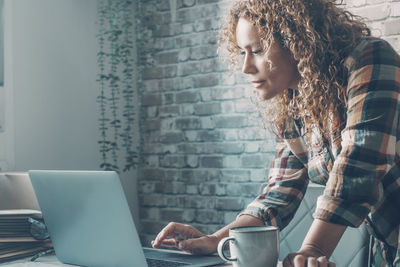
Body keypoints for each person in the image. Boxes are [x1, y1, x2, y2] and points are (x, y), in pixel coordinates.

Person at [151, 0, 400, 266]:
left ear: (298, 41)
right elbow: (280, 190)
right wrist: (218, 240)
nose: (246, 67)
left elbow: (360, 163)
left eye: (256, 50)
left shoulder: (371, 58)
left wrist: (311, 249)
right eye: (242, 53)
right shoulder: (298, 104)